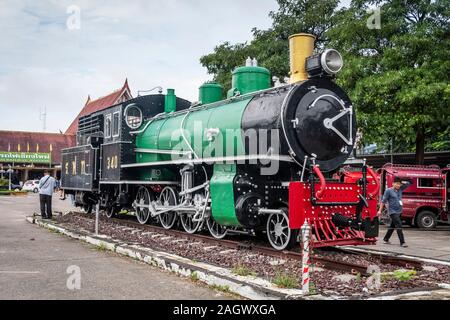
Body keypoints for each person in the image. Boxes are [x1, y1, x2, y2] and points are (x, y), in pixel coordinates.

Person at [378, 176, 411, 247]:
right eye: (397, 184)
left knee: (392, 225)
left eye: (399, 184)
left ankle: (386, 239)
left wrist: (401, 182)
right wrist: (379, 211)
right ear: (393, 183)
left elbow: (409, 183)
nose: (398, 185)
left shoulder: (400, 189)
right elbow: (383, 201)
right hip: (392, 212)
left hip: (399, 211)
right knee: (399, 224)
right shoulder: (388, 191)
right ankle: (402, 242)